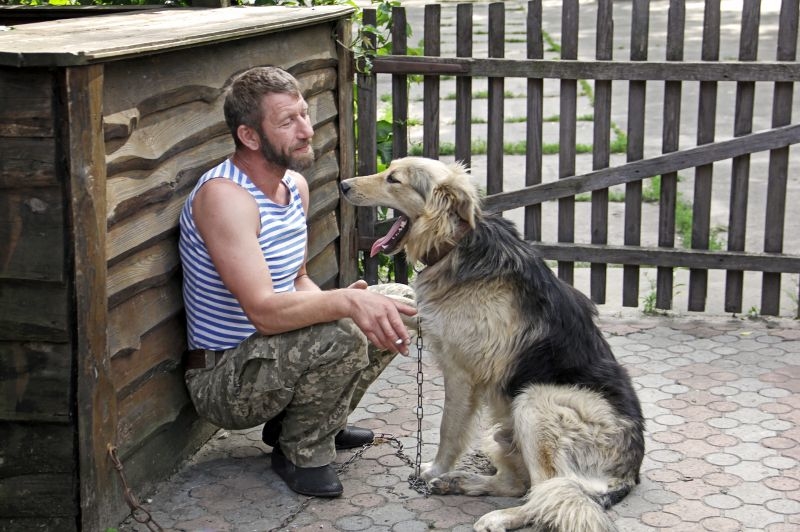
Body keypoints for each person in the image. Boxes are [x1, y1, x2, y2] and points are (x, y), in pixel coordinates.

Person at [178, 65, 416, 498]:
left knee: (398, 301)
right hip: (223, 376)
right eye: (287, 122)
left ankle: (321, 422)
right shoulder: (225, 198)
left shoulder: (294, 185)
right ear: (250, 137)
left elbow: (299, 278)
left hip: (269, 356)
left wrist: (349, 303)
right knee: (345, 330)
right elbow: (265, 312)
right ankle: (300, 452)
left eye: (304, 114)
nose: (306, 129)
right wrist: (344, 306)